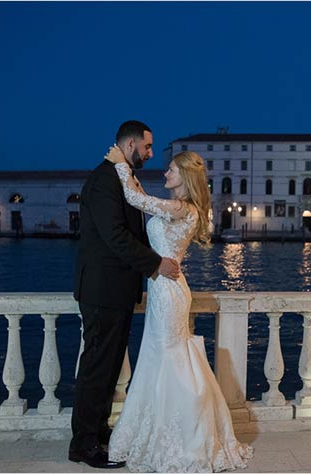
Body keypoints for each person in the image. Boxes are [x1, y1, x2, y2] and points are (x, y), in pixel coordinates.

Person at [105, 146, 254, 472]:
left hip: (169, 291)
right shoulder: (178, 207)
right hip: (163, 288)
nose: (165, 173)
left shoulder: (182, 209)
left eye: (171, 170)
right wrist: (130, 175)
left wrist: (120, 166)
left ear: (185, 176)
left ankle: (185, 433)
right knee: (159, 357)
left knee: (169, 357)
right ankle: (163, 428)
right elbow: (144, 197)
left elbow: (137, 200)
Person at [70, 120, 180, 469]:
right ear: (131, 144)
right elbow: (115, 236)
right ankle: (83, 444)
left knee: (109, 365)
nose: (150, 153)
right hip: (102, 291)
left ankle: (97, 430)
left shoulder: (120, 177)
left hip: (114, 291)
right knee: (97, 366)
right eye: (147, 147)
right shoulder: (105, 180)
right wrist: (155, 264)